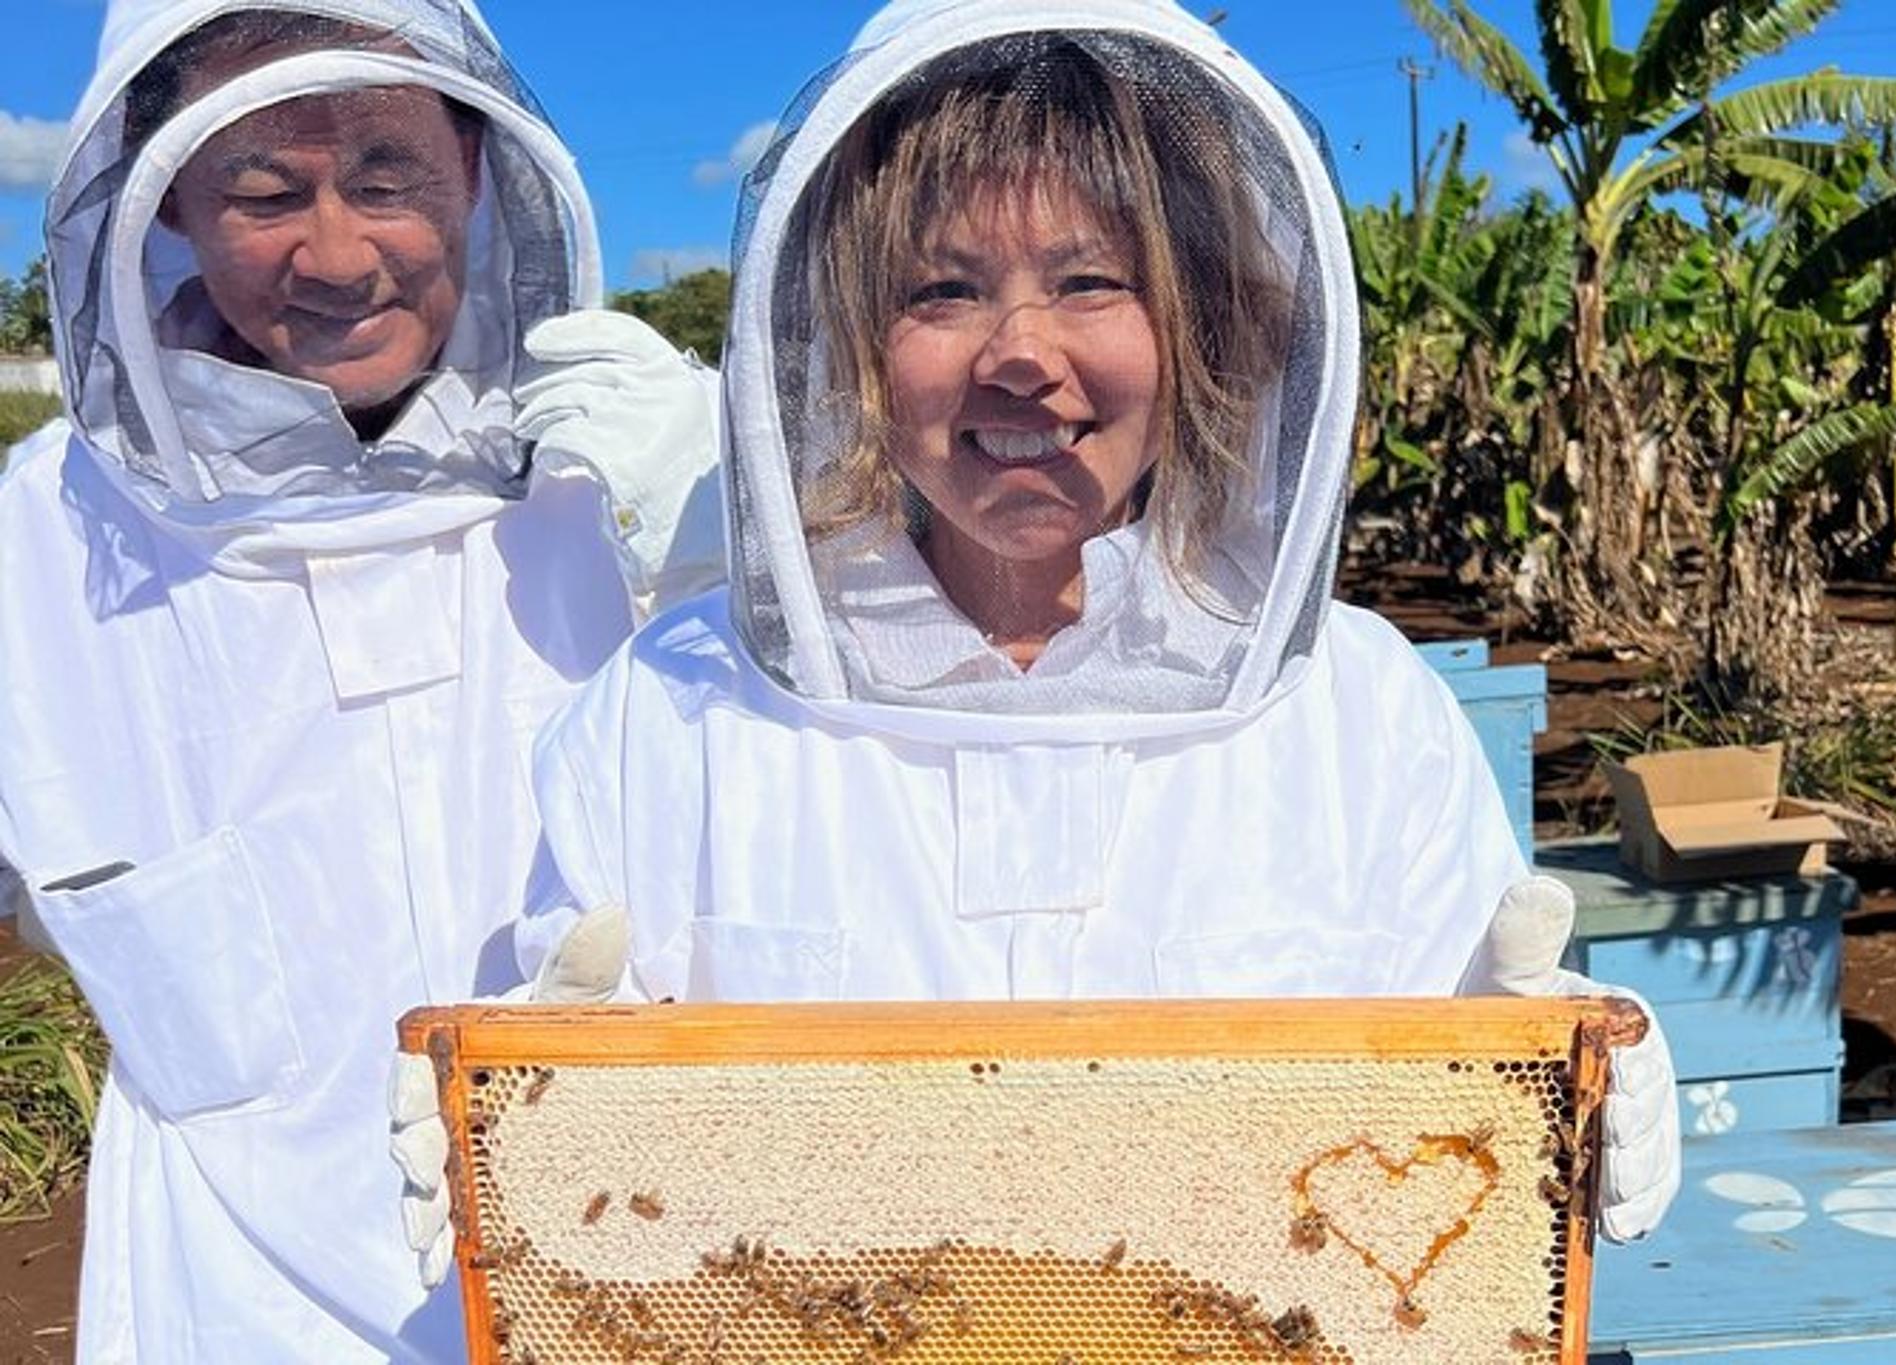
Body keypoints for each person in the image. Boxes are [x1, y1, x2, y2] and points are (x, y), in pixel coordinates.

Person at [396, 0, 1677, 1298]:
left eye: (1091, 282)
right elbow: (614, 1203)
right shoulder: (670, 718)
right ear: (852, 343)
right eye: (941, 291)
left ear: (1197, 333)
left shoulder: (1360, 716)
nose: (1020, 353)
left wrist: (1542, 1046)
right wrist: (548, 1106)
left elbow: (1436, 1166)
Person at [0, 0, 720, 1359]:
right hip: (234, 1308)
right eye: (262, 193)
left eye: (387, 177)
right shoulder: (44, 541)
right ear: (164, 201)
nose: (336, 255)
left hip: (633, 1260)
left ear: (474, 166)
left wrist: (740, 564)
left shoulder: (618, 463)